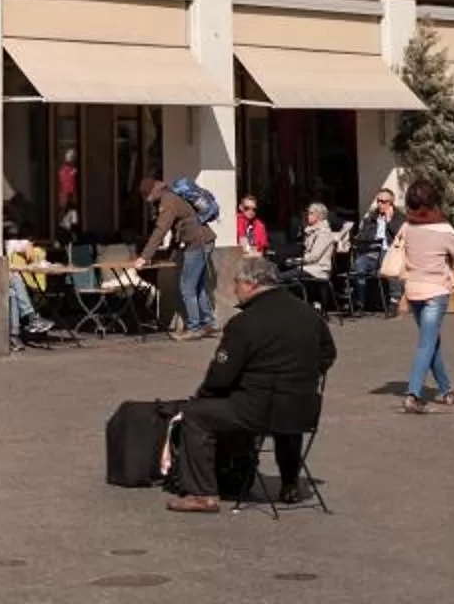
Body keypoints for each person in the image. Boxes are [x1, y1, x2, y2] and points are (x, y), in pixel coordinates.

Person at [160, 255, 338, 514]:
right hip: (303, 408)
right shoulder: (307, 313)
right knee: (283, 413)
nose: (234, 289)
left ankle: (201, 493)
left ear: (251, 283)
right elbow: (328, 353)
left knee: (197, 415)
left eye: (236, 283)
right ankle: (289, 483)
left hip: (257, 409)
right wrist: (303, 375)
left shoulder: (244, 323)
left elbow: (221, 376)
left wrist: (202, 398)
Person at [396, 177, 454, 412]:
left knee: (431, 341)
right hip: (436, 289)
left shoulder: (407, 226)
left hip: (413, 289)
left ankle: (447, 390)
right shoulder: (444, 229)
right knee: (426, 343)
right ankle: (413, 394)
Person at [141, 177, 216, 340]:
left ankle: (194, 328)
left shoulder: (168, 202)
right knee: (198, 285)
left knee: (187, 287)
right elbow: (181, 225)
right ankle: (208, 323)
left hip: (197, 243)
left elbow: (160, 230)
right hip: (204, 241)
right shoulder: (172, 196)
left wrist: (144, 256)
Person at [350, 187, 402, 316]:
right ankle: (360, 302)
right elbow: (361, 236)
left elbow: (400, 235)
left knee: (392, 267)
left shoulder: (398, 217)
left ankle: (394, 302)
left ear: (391, 203)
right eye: (378, 201)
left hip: (389, 252)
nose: (380, 204)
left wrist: (389, 221)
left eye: (384, 201)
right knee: (359, 265)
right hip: (372, 253)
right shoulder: (371, 217)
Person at [295, 203, 338, 306]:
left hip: (318, 269)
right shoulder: (311, 231)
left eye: (310, 213)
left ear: (318, 216)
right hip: (308, 267)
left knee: (282, 278)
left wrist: (296, 261)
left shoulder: (324, 233)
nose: (307, 216)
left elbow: (314, 257)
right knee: (281, 272)